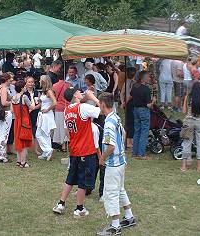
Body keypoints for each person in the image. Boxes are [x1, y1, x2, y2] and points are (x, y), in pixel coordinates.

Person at [52, 86, 100, 218]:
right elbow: (103, 109)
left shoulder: (68, 109)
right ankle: (79, 208)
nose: (81, 92)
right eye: (79, 91)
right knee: (82, 181)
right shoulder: (83, 108)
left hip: (74, 149)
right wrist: (93, 97)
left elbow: (68, 131)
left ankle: (61, 204)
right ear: (75, 95)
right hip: (85, 150)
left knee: (70, 178)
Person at [97, 93, 136, 236]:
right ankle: (129, 216)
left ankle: (115, 226)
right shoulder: (116, 117)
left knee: (111, 193)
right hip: (121, 161)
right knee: (120, 189)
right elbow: (124, 133)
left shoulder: (108, 123)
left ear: (102, 104)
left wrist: (102, 158)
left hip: (113, 164)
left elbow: (111, 146)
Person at [181, 81, 200, 172]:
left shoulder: (189, 97)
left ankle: (184, 166)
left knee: (186, 143)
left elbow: (184, 111)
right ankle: (199, 166)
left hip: (189, 121)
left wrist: (185, 99)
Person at [131, 71, 155, 160]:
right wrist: (154, 101)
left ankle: (134, 152)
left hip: (135, 110)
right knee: (144, 131)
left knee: (137, 130)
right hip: (143, 110)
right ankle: (141, 154)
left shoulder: (135, 87)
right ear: (143, 78)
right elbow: (148, 105)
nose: (149, 78)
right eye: (148, 77)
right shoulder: (146, 89)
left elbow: (131, 95)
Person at [12, 80, 34, 168]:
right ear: (22, 88)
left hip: (17, 121)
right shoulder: (24, 97)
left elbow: (12, 110)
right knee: (24, 142)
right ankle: (23, 162)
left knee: (18, 141)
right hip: (24, 121)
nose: (26, 87)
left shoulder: (13, 97)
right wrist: (32, 97)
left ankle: (18, 161)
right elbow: (32, 106)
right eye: (24, 86)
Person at [36, 75, 57, 160]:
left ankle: (48, 150)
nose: (39, 82)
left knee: (39, 134)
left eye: (41, 80)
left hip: (46, 114)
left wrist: (48, 109)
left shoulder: (49, 91)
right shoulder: (44, 91)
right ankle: (46, 153)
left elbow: (55, 102)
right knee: (45, 134)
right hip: (43, 114)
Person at [0, 73, 13, 163]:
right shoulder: (4, 89)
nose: (11, 80)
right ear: (6, 80)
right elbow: (4, 102)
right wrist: (13, 101)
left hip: (0, 113)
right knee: (5, 134)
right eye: (10, 79)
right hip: (5, 112)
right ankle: (2, 155)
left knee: (1, 133)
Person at [53, 76, 72, 152]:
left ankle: (62, 144)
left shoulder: (54, 85)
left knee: (60, 127)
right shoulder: (69, 85)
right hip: (67, 107)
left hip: (58, 107)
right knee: (66, 126)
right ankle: (65, 144)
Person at [121, 67, 137, 149]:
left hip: (127, 105)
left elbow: (122, 93)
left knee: (128, 122)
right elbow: (131, 95)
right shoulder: (133, 83)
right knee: (131, 123)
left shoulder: (126, 82)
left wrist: (122, 102)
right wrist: (126, 101)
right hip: (131, 104)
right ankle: (129, 142)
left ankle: (128, 141)